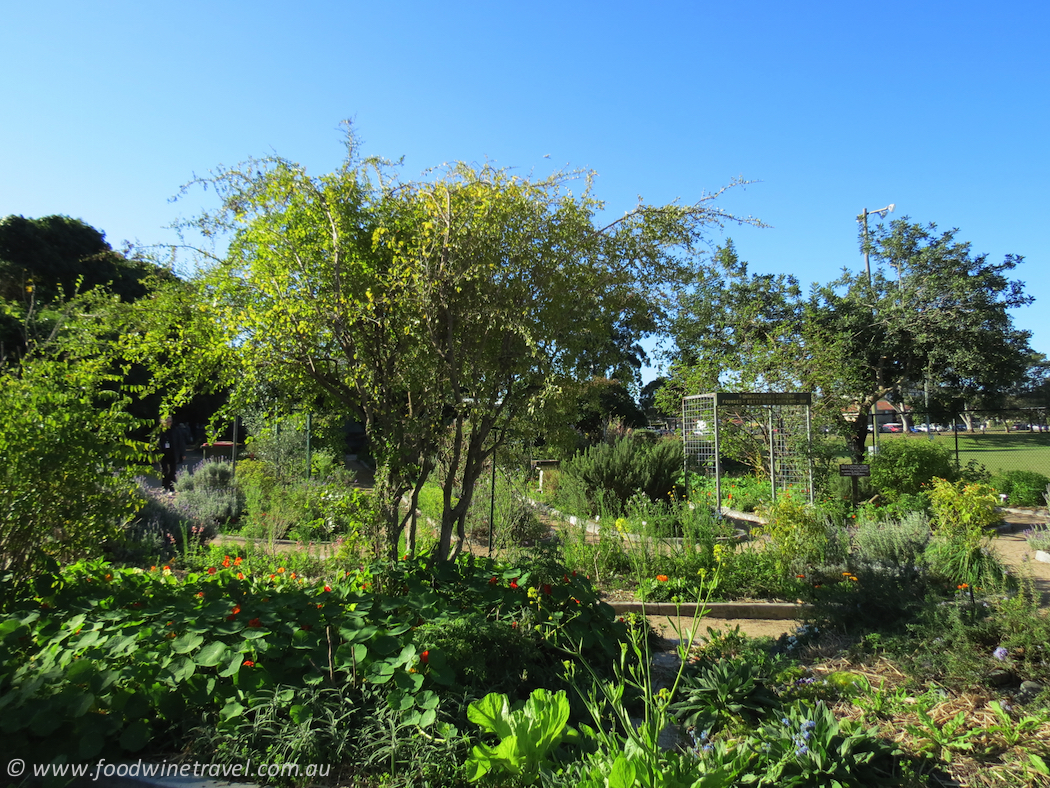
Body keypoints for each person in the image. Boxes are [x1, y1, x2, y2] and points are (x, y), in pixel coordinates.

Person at [158, 416, 186, 492]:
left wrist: (183, 453)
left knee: (172, 471)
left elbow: (181, 442)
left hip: (173, 453)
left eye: (170, 421)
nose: (169, 423)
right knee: (164, 471)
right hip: (163, 454)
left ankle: (171, 487)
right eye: (167, 422)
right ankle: (164, 487)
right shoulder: (159, 431)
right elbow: (155, 444)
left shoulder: (175, 430)